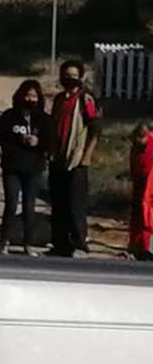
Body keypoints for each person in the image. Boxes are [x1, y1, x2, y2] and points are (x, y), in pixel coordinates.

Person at [48, 60, 102, 257]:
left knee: (75, 204)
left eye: (73, 75)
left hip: (76, 158)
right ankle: (60, 244)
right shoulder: (59, 99)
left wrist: (87, 155)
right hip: (58, 158)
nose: (69, 79)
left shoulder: (85, 99)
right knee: (58, 203)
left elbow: (95, 128)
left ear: (80, 77)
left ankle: (79, 243)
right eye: (66, 75)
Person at [0, 79, 52, 256]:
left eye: (34, 96)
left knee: (29, 207)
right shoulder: (9, 116)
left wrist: (39, 142)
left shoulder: (44, 120)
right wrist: (17, 141)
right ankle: (5, 241)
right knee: (11, 205)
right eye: (27, 95)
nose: (30, 99)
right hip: (12, 167)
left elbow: (52, 142)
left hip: (34, 168)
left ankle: (28, 243)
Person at [128, 123, 153, 259]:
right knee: (138, 213)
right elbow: (134, 167)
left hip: (150, 184)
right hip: (140, 183)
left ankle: (148, 248)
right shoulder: (136, 148)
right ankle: (136, 245)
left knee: (149, 216)